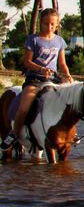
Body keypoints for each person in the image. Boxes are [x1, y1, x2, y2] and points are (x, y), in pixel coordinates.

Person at [2, 8, 74, 150]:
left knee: (70, 103)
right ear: (40, 23)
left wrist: (67, 75)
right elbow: (27, 62)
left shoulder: (59, 41)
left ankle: (69, 133)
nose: (49, 27)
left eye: (52, 24)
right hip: (34, 80)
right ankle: (14, 133)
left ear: (57, 25)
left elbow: (62, 64)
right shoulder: (33, 39)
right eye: (46, 23)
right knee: (24, 108)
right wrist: (41, 69)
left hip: (53, 80)